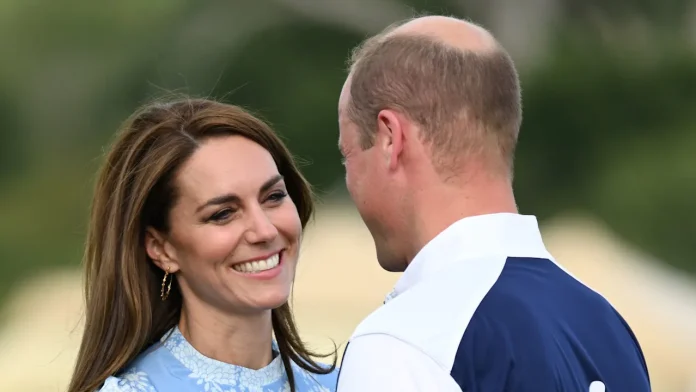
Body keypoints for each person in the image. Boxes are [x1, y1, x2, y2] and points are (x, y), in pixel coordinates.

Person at [335, 15, 651, 392]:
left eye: (348, 154)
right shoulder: (608, 328)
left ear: (390, 138)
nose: (349, 178)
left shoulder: (403, 343)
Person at [67, 98, 338, 392]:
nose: (264, 230)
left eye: (273, 196)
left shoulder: (350, 382)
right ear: (161, 248)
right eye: (223, 214)